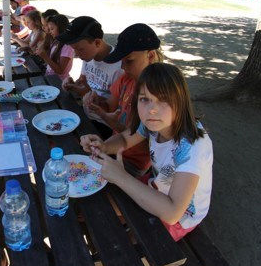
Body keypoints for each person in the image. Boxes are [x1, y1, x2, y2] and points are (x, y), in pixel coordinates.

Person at [81, 62, 213, 242]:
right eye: (144, 99)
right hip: (156, 185)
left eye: (163, 100)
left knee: (127, 243)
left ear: (180, 102)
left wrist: (121, 177)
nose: (152, 109)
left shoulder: (193, 147)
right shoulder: (153, 123)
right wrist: (103, 146)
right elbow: (125, 139)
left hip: (180, 217)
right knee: (98, 206)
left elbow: (172, 213)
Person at [86, 23, 164, 175]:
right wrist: (98, 102)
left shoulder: (157, 95)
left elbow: (142, 140)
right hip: (114, 147)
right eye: (122, 61)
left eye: (129, 60)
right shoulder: (126, 79)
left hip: (134, 163)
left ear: (150, 56)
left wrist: (110, 122)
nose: (123, 67)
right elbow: (110, 106)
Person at [57, 16, 123, 139]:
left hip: (105, 126)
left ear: (97, 42)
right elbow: (83, 82)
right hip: (87, 116)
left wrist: (86, 94)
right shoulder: (88, 56)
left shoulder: (118, 67)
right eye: (74, 49)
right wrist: (72, 84)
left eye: (79, 49)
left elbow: (112, 109)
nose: (76, 54)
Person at [36, 13, 74, 81]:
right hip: (50, 77)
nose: (50, 32)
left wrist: (45, 57)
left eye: (52, 29)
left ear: (61, 28)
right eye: (49, 29)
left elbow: (60, 71)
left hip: (59, 81)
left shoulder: (67, 46)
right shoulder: (56, 41)